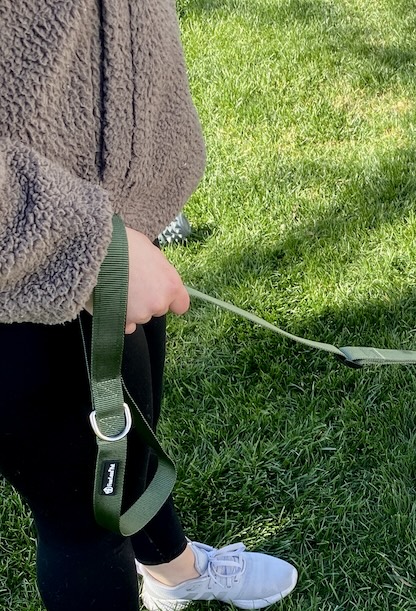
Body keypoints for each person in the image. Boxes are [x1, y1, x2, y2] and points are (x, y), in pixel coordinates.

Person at [0, 2, 297, 610]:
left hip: (120, 228)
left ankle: (172, 572)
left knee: (128, 442)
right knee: (84, 519)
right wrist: (86, 242)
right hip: (23, 278)